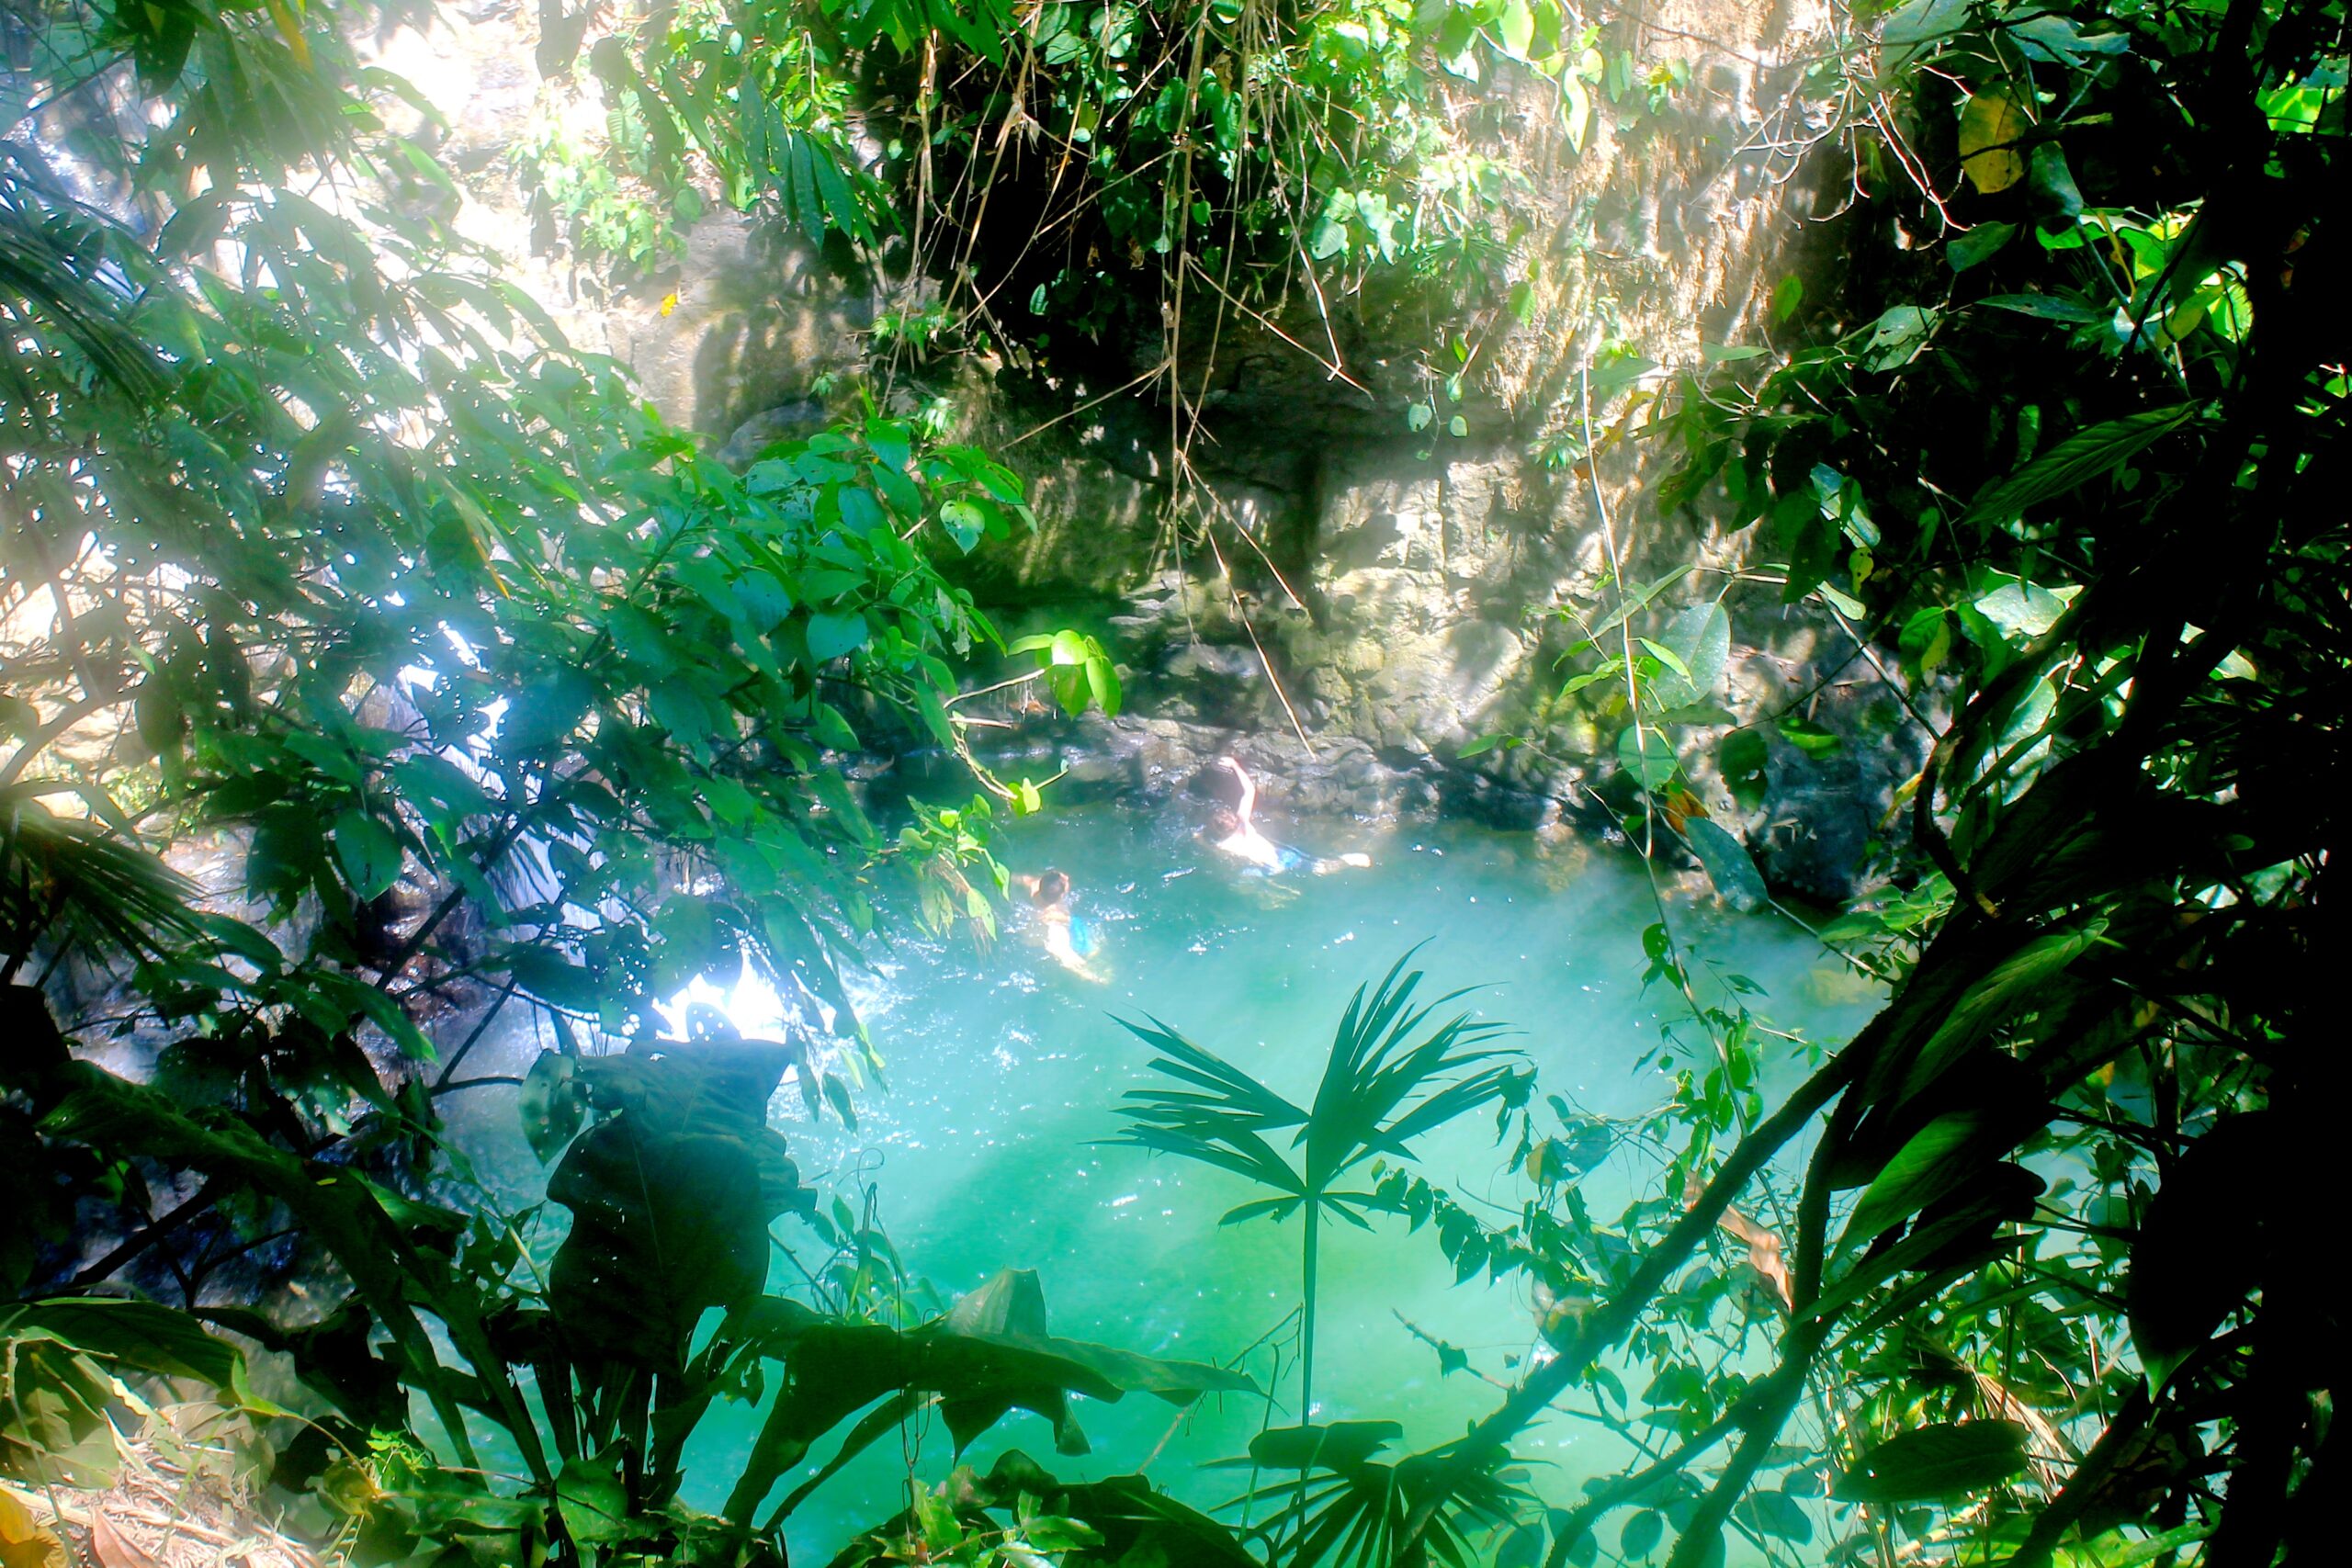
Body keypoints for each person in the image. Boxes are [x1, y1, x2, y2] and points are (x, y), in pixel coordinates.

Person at [1202, 756, 1370, 875]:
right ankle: (1347, 860)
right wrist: (1234, 765)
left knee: (1243, 878)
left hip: (1266, 869)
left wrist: (1198, 839)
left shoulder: (1221, 846)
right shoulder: (1244, 825)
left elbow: (1212, 849)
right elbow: (1249, 790)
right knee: (1319, 868)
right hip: (1279, 856)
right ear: (1234, 819)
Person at [1009, 868, 1104, 980]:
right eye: (1065, 880)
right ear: (1062, 895)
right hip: (1040, 935)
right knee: (1094, 949)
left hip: (1035, 917)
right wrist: (1092, 976)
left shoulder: (1034, 886)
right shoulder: (1055, 916)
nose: (1067, 877)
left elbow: (1017, 878)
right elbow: (1063, 954)